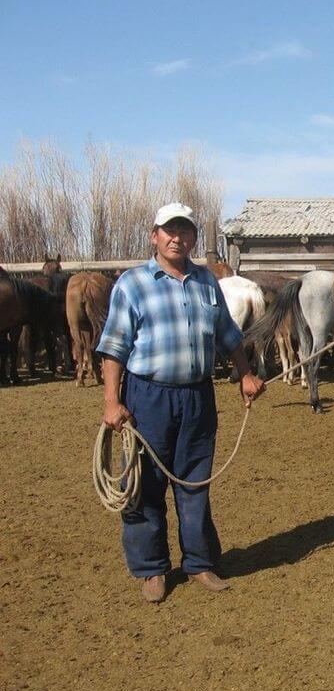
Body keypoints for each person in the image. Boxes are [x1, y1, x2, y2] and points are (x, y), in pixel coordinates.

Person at [97, 202, 265, 603]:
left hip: (196, 395)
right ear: (154, 235)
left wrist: (244, 374)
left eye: (185, 231)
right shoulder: (133, 284)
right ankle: (152, 569)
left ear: (193, 238)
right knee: (145, 485)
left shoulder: (207, 282)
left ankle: (199, 562)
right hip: (147, 396)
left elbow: (228, 335)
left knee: (195, 481)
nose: (178, 238)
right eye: (170, 230)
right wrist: (110, 402)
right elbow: (114, 348)